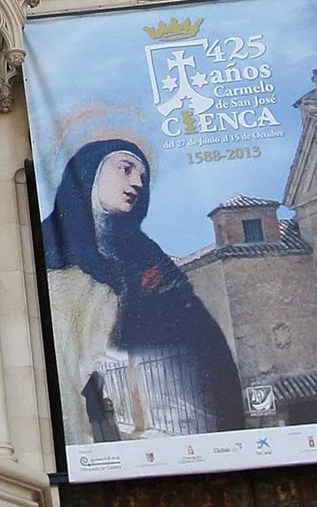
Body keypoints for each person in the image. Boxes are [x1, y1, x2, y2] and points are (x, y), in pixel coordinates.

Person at [42, 138, 246, 440]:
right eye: (126, 169)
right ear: (89, 173)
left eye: (143, 177)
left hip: (174, 420)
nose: (137, 182)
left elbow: (200, 338)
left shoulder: (148, 255)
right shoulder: (50, 251)